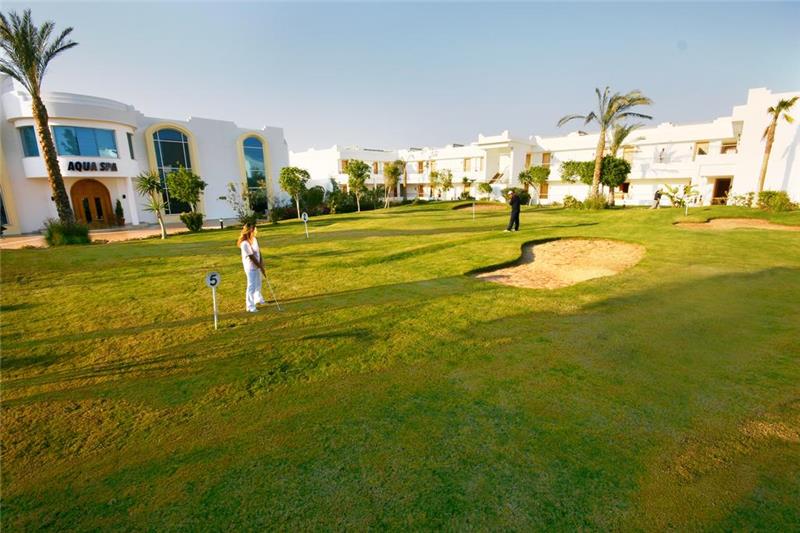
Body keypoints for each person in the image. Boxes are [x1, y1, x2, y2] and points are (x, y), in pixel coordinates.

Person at [237, 223, 267, 312]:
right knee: (251, 286)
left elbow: (258, 252)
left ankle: (258, 299)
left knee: (258, 283)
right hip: (250, 267)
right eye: (255, 229)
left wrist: (261, 262)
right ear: (251, 230)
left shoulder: (254, 239)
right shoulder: (244, 243)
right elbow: (252, 257)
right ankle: (250, 306)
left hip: (257, 265)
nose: (256, 231)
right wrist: (260, 267)